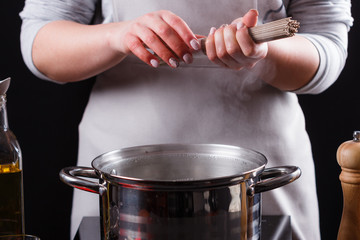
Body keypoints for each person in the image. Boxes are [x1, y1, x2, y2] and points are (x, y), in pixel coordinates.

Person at [19, 0, 352, 239]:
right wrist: (117, 36)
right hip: (123, 180)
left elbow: (328, 45)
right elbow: (41, 41)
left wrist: (263, 55)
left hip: (260, 180)